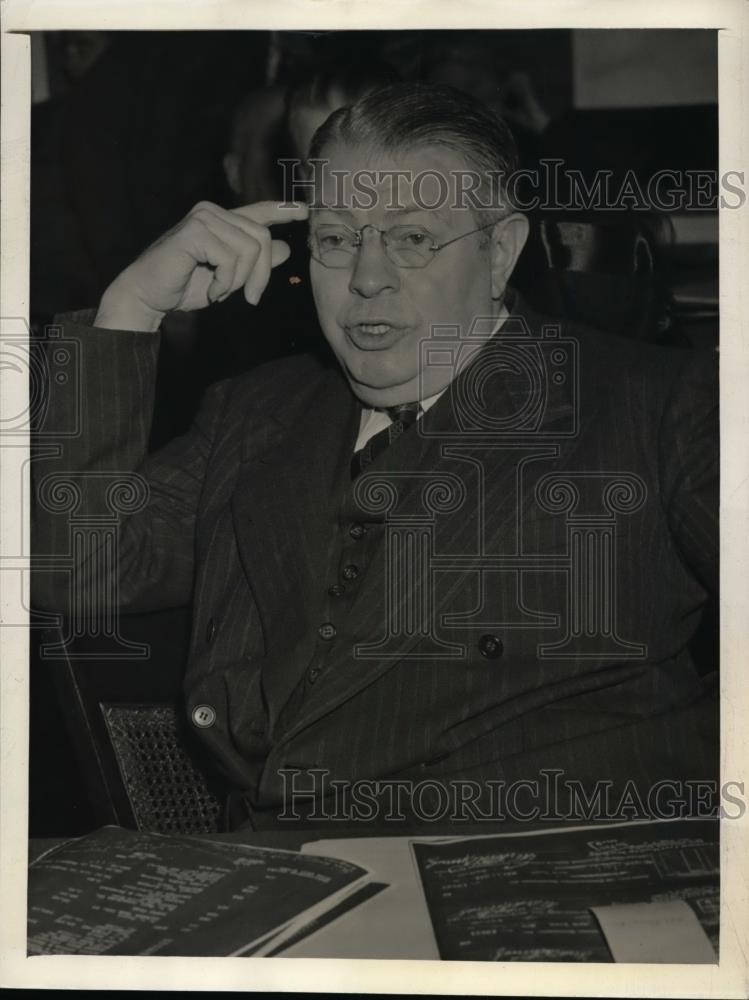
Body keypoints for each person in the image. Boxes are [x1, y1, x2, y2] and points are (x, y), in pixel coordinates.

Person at [31, 83, 718, 831]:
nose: (365, 277)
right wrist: (127, 311)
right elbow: (72, 569)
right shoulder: (255, 415)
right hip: (292, 884)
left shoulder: (653, 406)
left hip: (547, 877)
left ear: (500, 253)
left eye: (412, 238)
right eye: (336, 237)